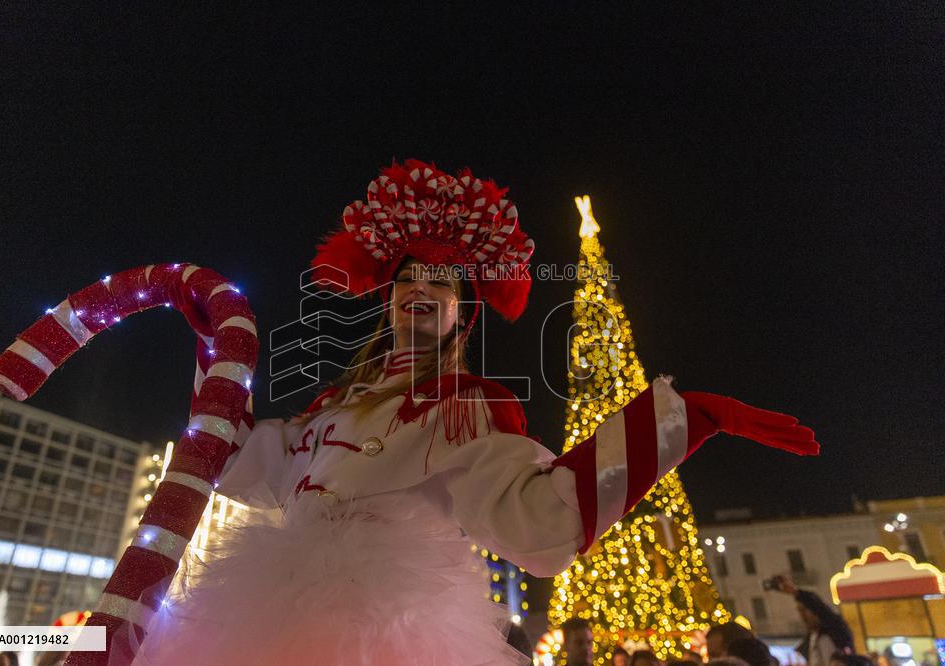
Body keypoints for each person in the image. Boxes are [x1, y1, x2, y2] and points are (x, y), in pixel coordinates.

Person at [123, 159, 819, 665]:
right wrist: (212, 342)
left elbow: (541, 526)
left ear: (464, 310)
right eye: (406, 279)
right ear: (387, 301)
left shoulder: (469, 411)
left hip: (386, 639)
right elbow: (230, 461)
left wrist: (684, 419)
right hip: (256, 621)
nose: (419, 290)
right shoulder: (329, 407)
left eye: (441, 281)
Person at [770, 574, 853, 666]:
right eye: (799, 611)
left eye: (805, 610)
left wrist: (796, 592)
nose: (802, 615)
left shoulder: (836, 630)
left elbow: (821, 609)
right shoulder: (811, 639)